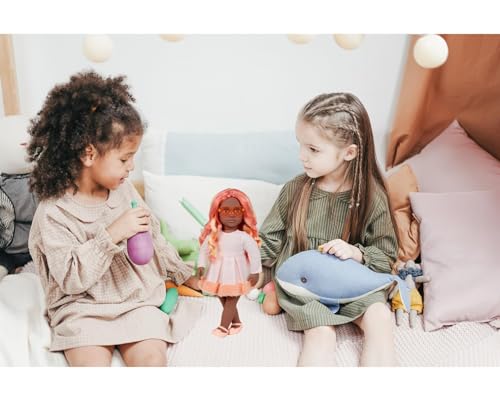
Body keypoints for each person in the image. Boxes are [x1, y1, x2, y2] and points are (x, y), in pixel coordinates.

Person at [27, 71, 201, 367]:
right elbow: (70, 280)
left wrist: (184, 274)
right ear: (88, 154)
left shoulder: (124, 190)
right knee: (91, 368)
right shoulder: (54, 212)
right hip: (82, 307)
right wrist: (112, 234)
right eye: (124, 159)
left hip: (135, 299)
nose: (131, 167)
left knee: (152, 362)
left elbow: (154, 239)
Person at [259, 92, 399, 366]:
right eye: (300, 145)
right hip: (304, 288)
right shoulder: (295, 190)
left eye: (313, 149)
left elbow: (385, 257)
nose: (301, 156)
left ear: (349, 153)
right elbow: (268, 243)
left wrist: (356, 253)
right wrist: (237, 252)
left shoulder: (372, 198)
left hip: (351, 283)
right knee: (321, 334)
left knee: (380, 317)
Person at [197, 189, 262, 337]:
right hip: (218, 272)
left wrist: (255, 272)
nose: (231, 214)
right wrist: (201, 265)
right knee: (222, 297)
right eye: (226, 210)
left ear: (243, 212)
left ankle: (223, 327)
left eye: (237, 210)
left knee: (231, 299)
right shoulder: (214, 236)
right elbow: (203, 251)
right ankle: (237, 323)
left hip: (237, 273)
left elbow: (254, 254)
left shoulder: (243, 237)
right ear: (217, 213)